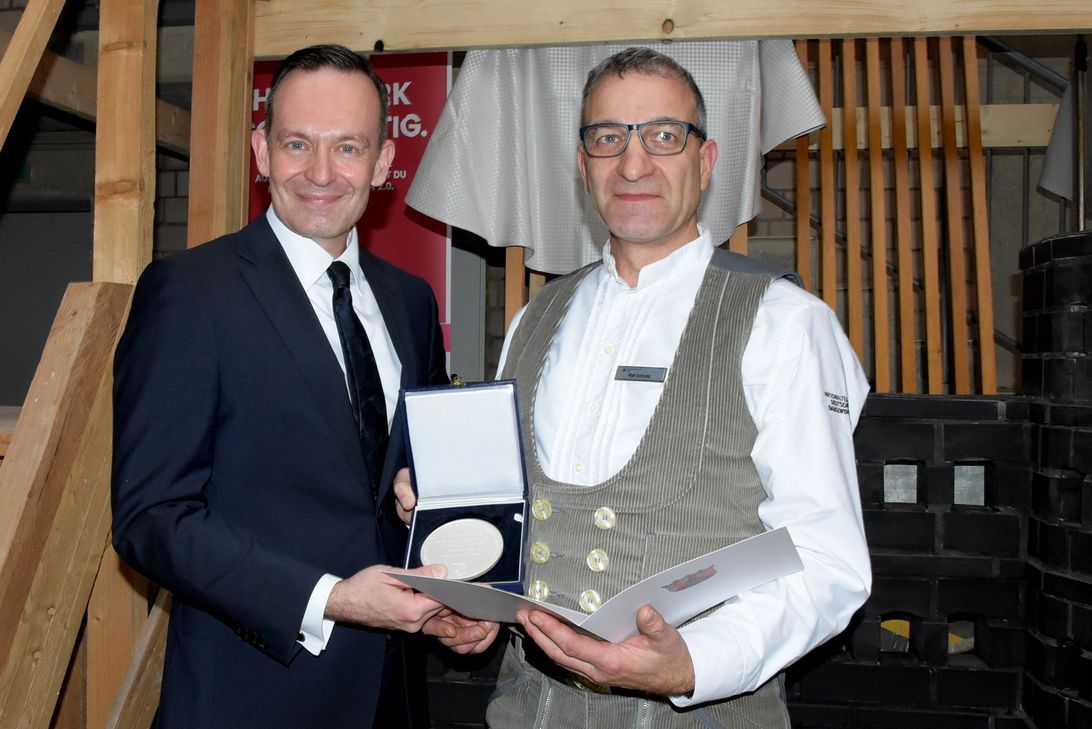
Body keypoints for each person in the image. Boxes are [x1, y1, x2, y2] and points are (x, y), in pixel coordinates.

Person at [403, 47, 872, 727]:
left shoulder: (784, 322)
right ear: (582, 162)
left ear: (705, 161)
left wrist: (694, 662)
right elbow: (526, 521)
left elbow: (827, 560)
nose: (633, 162)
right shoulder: (536, 317)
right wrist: (473, 602)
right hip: (525, 708)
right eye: (607, 137)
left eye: (663, 135)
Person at [112, 44, 462, 729]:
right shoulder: (190, 294)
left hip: (392, 695)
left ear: (386, 162)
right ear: (261, 150)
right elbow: (151, 518)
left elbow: (416, 485)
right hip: (248, 696)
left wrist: (462, 605)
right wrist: (329, 596)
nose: (322, 173)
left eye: (349, 148)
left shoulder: (411, 303)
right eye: (298, 143)